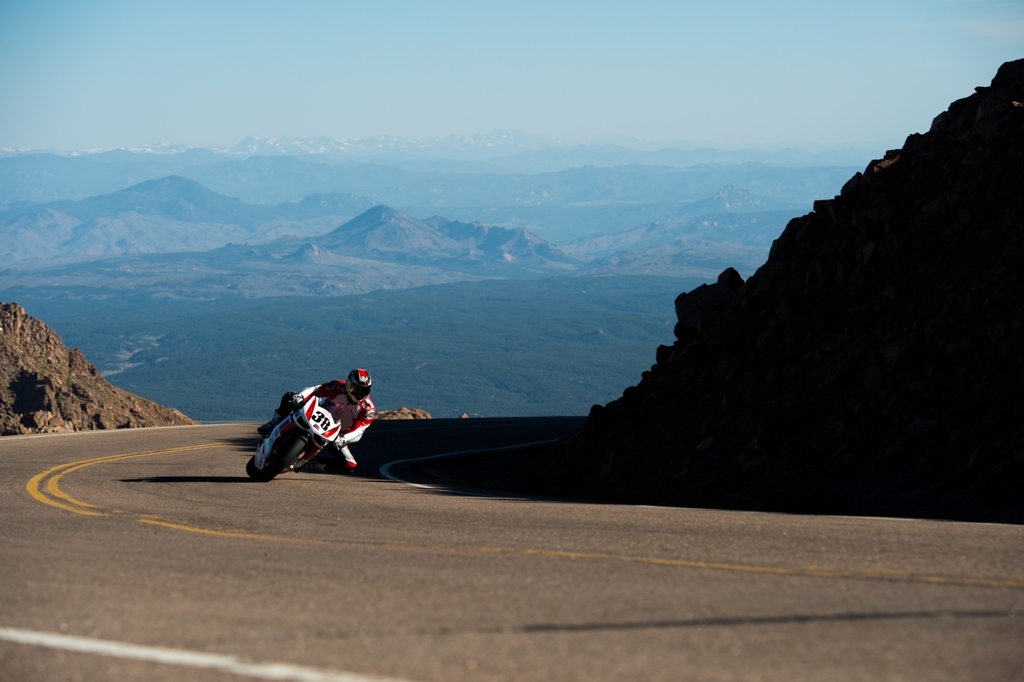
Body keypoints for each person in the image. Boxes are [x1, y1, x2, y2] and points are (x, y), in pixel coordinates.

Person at [257, 368, 375, 473]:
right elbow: (316, 389)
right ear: (348, 384)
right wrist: (301, 397)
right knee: (290, 396)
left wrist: (343, 438)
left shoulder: (367, 409)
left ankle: (313, 464)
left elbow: (360, 428)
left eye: (362, 391)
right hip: (317, 412)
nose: (357, 393)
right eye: (354, 388)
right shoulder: (337, 386)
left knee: (349, 464)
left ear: (368, 390)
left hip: (336, 434)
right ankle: (273, 423)